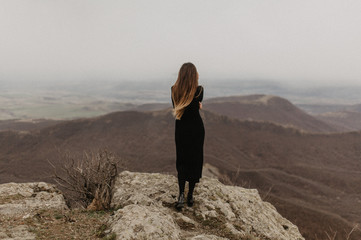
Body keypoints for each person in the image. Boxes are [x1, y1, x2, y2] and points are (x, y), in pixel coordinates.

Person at [171, 62, 205, 210]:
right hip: (197, 129)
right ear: (193, 75)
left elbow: (176, 106)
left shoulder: (174, 90)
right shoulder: (199, 90)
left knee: (182, 160)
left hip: (181, 129)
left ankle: (180, 196)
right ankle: (190, 195)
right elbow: (197, 104)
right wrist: (197, 105)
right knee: (195, 159)